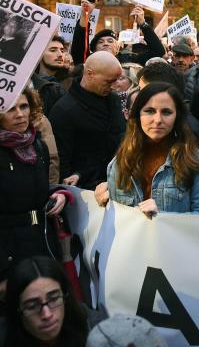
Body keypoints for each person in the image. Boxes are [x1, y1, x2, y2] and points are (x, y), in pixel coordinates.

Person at [94, 82, 199, 216]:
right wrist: (106, 198)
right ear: (137, 114)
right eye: (149, 111)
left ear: (177, 116)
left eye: (166, 112)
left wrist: (162, 217)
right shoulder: (120, 161)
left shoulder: (195, 160)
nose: (157, 120)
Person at [0, 88, 71, 286]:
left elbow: (38, 190)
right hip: (9, 251)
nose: (20, 114)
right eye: (10, 109)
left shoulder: (38, 146)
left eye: (24, 106)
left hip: (42, 242)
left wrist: (59, 195)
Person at [49, 51, 126, 189]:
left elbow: (120, 137)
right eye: (109, 81)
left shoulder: (113, 99)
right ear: (90, 74)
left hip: (119, 181)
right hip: (85, 190)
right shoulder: (64, 110)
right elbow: (62, 160)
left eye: (117, 80)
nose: (115, 86)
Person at [4, 256, 88, 347]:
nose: (47, 315)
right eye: (32, 306)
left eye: (54, 299)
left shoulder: (97, 331)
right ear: (16, 310)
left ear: (66, 297)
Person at [71, 0, 164, 66]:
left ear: (118, 48)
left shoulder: (130, 60)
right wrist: (85, 14)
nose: (106, 44)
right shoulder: (88, 62)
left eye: (110, 41)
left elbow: (158, 51)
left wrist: (143, 24)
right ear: (94, 50)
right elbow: (79, 49)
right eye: (100, 42)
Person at [31, 36, 68, 116]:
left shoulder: (69, 82)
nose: (60, 54)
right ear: (40, 54)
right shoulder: (31, 84)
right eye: (53, 50)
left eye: (62, 50)